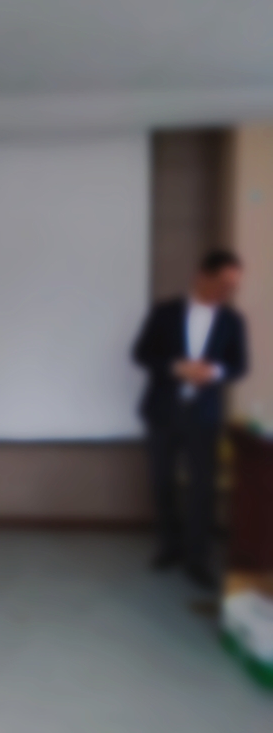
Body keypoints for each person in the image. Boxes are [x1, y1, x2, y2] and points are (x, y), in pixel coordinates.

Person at [132, 249, 248, 590]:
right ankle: (169, 547)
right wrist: (175, 367)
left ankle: (197, 559)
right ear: (201, 276)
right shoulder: (165, 312)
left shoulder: (232, 320)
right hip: (163, 411)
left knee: (202, 488)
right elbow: (141, 353)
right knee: (162, 482)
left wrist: (214, 372)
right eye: (223, 283)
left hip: (204, 415)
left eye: (233, 286)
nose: (227, 291)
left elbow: (239, 365)